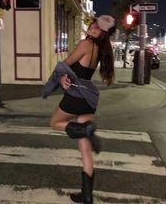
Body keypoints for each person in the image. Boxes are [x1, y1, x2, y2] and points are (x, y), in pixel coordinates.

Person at [49, 15, 115, 204]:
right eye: (94, 24)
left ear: (102, 35)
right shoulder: (99, 49)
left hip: (75, 95)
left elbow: (65, 64)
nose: (93, 27)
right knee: (85, 149)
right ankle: (87, 195)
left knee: (54, 122)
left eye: (98, 28)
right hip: (89, 98)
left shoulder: (86, 44)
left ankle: (83, 129)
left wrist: (61, 77)